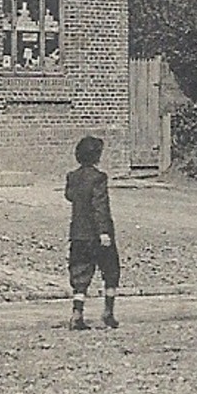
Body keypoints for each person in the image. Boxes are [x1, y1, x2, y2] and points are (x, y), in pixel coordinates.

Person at [64, 135, 120, 330]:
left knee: (79, 273)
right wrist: (104, 232)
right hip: (97, 234)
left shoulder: (72, 177)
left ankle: (77, 313)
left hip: (78, 233)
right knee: (110, 270)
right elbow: (100, 206)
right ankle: (108, 313)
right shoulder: (99, 178)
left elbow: (69, 196)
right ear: (97, 156)